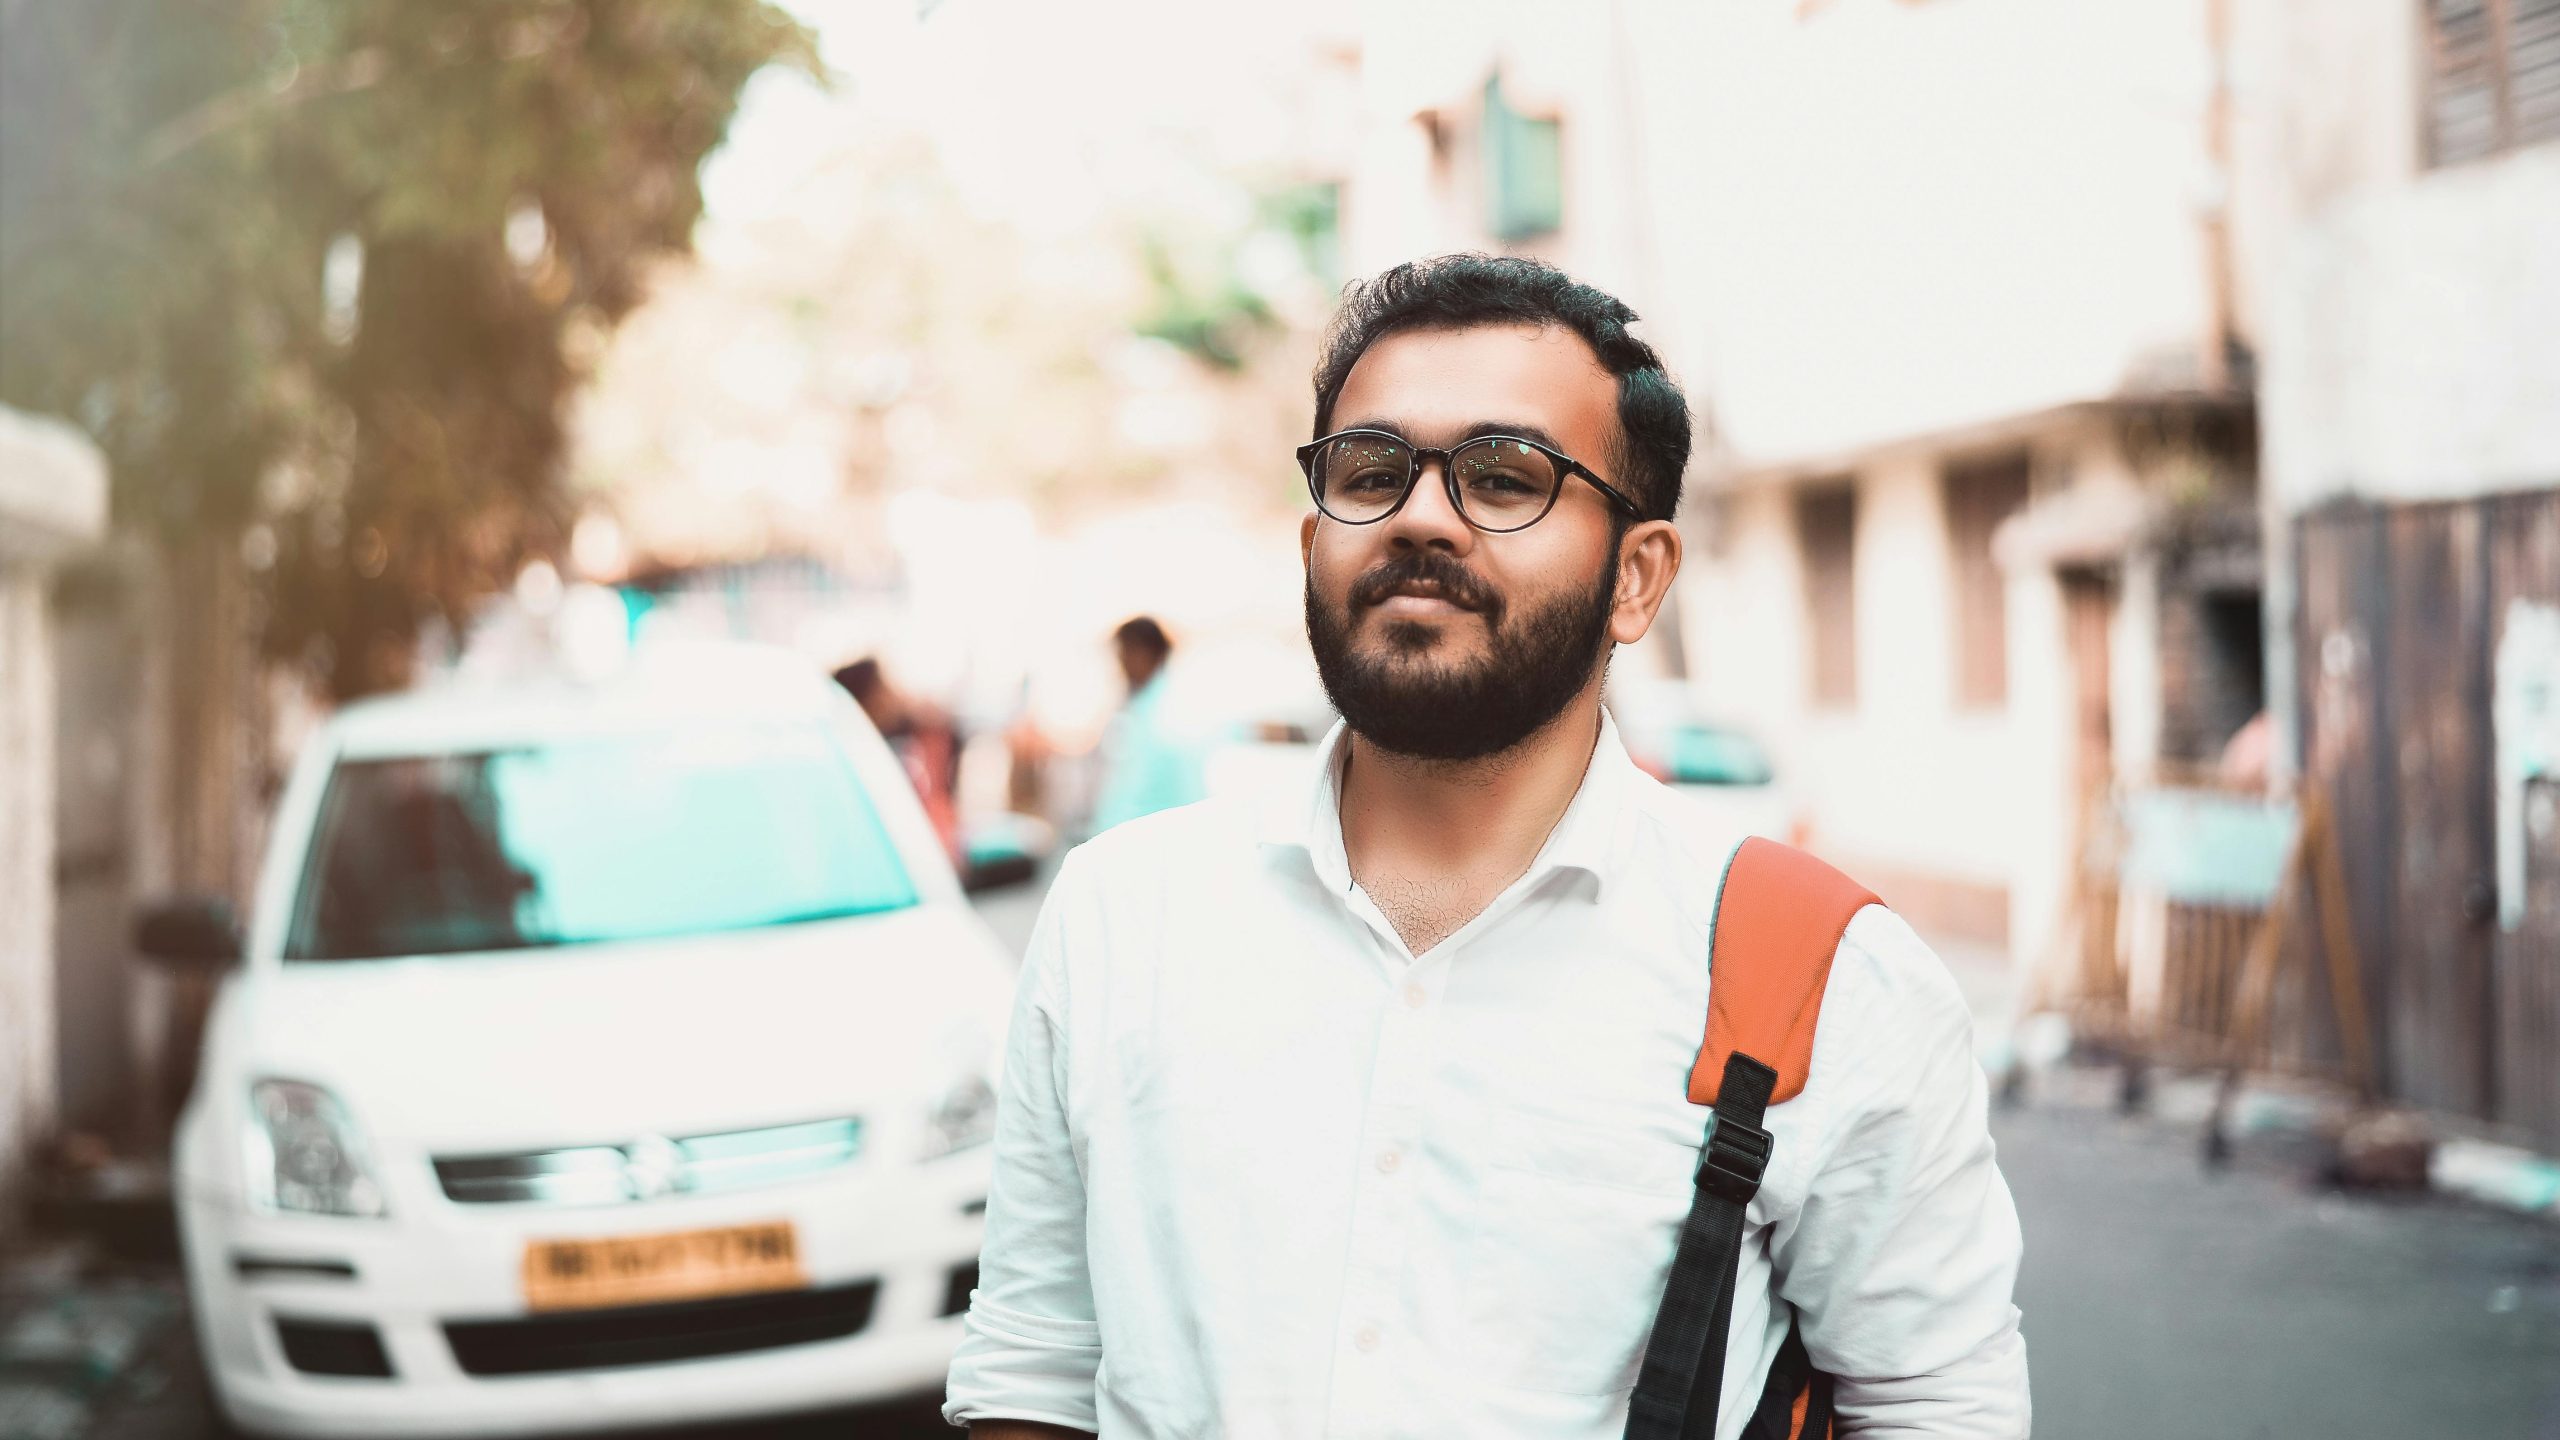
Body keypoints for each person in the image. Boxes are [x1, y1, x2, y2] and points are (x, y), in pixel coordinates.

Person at [945, 256, 2028, 1437]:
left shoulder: (1822, 978)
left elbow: (1935, 1406)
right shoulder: (1120, 915)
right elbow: (1034, 1372)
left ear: (1636, 576)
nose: (1417, 514)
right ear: (1313, 541)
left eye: (1503, 477)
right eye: (1370, 470)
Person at [1086, 615, 1208, 834]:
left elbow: (1137, 794)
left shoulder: (1167, 714)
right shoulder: (1143, 708)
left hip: (1151, 846)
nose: (1120, 665)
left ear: (1144, 653)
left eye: (1124, 653)